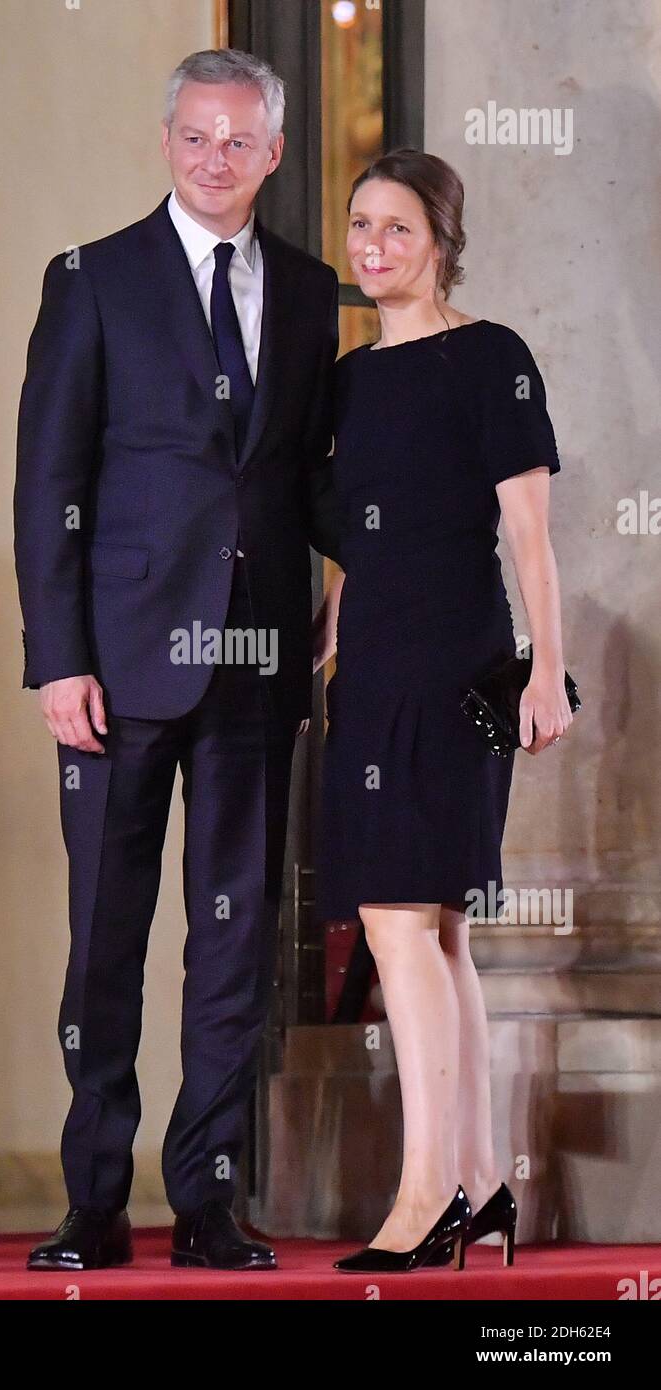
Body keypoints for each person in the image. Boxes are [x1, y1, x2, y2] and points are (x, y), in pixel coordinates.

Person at [14, 48, 343, 1272]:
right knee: (103, 938)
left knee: (234, 937)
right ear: (169, 144)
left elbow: (314, 478)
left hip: (254, 667)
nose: (216, 158)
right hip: (116, 668)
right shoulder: (92, 280)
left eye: (239, 140)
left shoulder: (308, 296)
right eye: (196, 136)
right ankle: (93, 1200)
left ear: (270, 153)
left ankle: (207, 1198)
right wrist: (59, 661)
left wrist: (373, 582)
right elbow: (48, 480)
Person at [312, 148, 572, 1273]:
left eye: (397, 228)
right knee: (436, 929)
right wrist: (330, 628)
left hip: (453, 658)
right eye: (360, 225)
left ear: (441, 241)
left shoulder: (491, 358)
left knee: (399, 919)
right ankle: (477, 1178)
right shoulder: (349, 380)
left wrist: (547, 671)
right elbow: (358, 535)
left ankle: (425, 1194)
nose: (373, 246)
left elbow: (529, 536)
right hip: (369, 660)